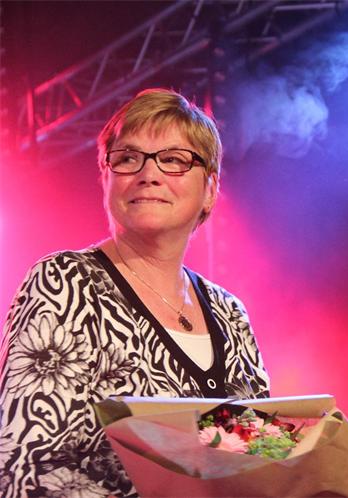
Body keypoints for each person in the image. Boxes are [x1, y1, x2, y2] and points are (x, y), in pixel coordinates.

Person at [0, 88, 270, 497]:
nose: (149, 174)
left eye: (174, 160)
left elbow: (260, 458)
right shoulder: (67, 282)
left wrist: (317, 444)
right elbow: (25, 467)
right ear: (106, 179)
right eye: (128, 158)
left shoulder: (229, 312)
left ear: (210, 189)